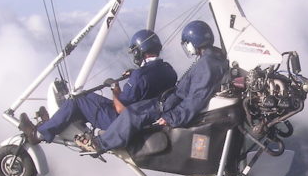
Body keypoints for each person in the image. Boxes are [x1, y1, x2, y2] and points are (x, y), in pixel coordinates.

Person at [75, 20, 228, 154]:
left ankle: (99, 144)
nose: (188, 48)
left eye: (187, 44)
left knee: (132, 113)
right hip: (171, 101)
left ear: (193, 42)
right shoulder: (212, 59)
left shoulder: (206, 65)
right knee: (137, 110)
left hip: (171, 105)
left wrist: (171, 117)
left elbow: (196, 99)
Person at [19, 29, 177, 145]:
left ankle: (38, 134)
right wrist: (136, 73)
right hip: (147, 115)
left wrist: (115, 88)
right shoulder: (169, 70)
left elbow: (121, 109)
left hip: (123, 122)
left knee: (78, 100)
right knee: (89, 99)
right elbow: (150, 83)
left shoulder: (139, 77)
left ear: (139, 51)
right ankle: (55, 121)